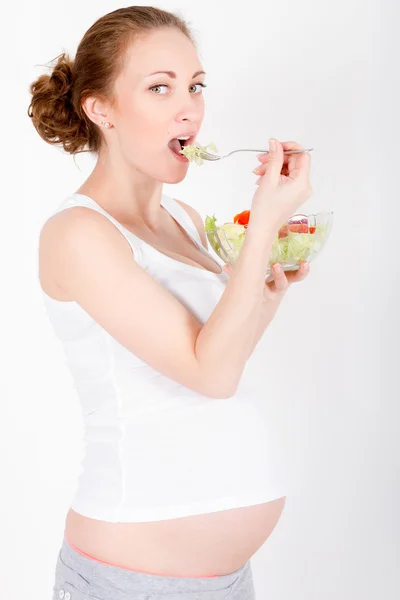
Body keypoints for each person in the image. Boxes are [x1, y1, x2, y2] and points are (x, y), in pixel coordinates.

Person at [28, 6, 312, 600]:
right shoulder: (79, 234)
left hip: (226, 581)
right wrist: (260, 228)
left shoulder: (182, 221)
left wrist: (266, 286)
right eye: (160, 88)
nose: (190, 108)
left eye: (195, 86)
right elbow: (211, 375)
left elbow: (221, 356)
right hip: (131, 582)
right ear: (99, 108)